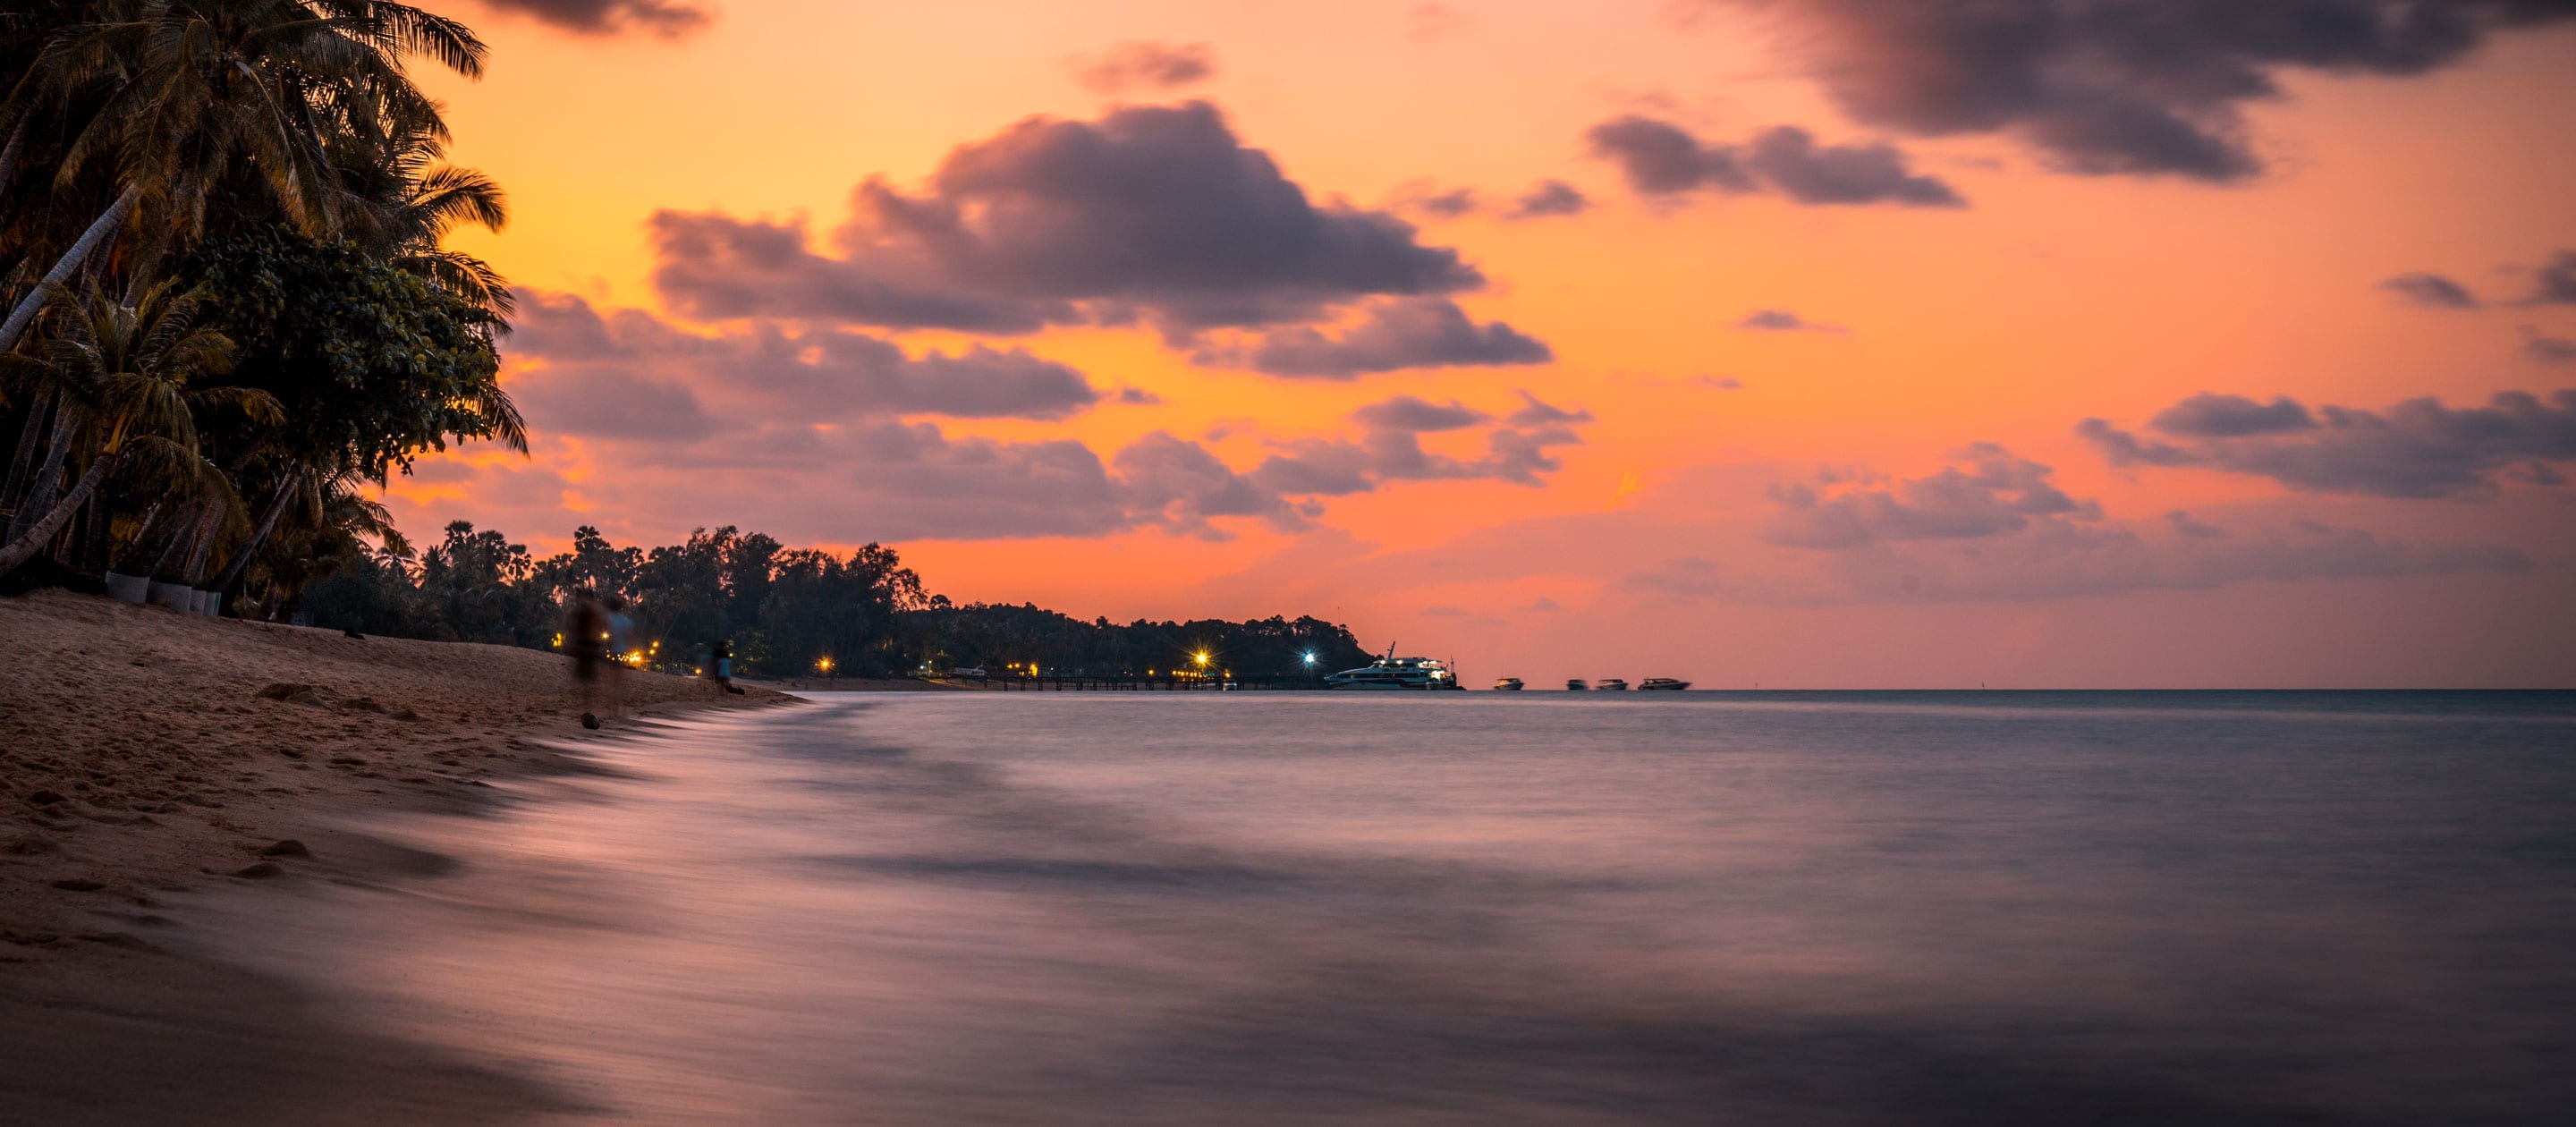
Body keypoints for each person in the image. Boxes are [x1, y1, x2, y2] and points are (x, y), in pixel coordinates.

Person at [564, 589, 607, 729]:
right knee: (586, 679)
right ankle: (586, 708)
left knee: (585, 679)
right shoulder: (594, 610)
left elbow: (573, 626)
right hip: (588, 646)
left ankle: (586, 708)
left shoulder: (586, 610)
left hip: (586, 646)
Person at [604, 594, 634, 719]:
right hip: (622, 652)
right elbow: (629, 638)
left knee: (611, 683)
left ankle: (612, 711)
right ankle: (622, 711)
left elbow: (605, 635)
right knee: (620, 683)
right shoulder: (625, 621)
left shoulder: (607, 619)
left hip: (611, 653)